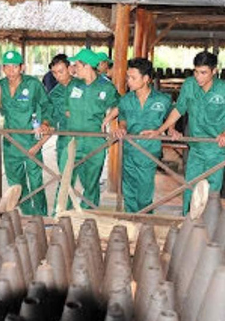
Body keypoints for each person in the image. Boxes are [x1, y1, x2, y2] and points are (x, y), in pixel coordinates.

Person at [148, 51, 225, 214]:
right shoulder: (189, 85)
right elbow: (179, 109)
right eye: (196, 72)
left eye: (203, 73)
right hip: (195, 147)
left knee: (212, 191)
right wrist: (161, 129)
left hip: (216, 148)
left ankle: (208, 223)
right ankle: (187, 220)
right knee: (190, 187)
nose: (198, 77)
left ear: (214, 71)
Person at [107, 58, 171, 212]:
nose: (129, 81)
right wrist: (121, 128)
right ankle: (131, 222)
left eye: (133, 77)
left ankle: (145, 220)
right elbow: (123, 118)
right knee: (128, 191)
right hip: (129, 150)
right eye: (128, 77)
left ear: (146, 79)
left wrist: (170, 129)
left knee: (144, 192)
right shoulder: (126, 99)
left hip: (149, 150)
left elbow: (172, 116)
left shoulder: (163, 100)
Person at [61, 48, 119, 209]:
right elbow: (67, 109)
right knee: (66, 177)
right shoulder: (73, 85)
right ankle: (62, 213)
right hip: (73, 140)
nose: (73, 69)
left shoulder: (106, 87)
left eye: (77, 65)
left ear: (87, 66)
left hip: (94, 141)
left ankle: (88, 213)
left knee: (91, 181)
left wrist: (107, 119)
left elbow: (119, 105)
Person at [0, 50, 52, 215]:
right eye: (7, 67)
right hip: (10, 141)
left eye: (15, 67)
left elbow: (46, 105)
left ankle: (42, 215)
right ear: (3, 68)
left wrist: (45, 123)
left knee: (36, 181)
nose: (11, 71)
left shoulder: (33, 84)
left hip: (31, 141)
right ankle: (28, 212)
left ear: (22, 67)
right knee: (16, 182)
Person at [46, 54, 79, 177]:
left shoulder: (83, 86)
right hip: (65, 139)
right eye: (54, 73)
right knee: (65, 178)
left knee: (89, 183)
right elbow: (52, 118)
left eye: (61, 71)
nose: (58, 76)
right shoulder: (54, 94)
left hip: (86, 137)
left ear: (69, 69)